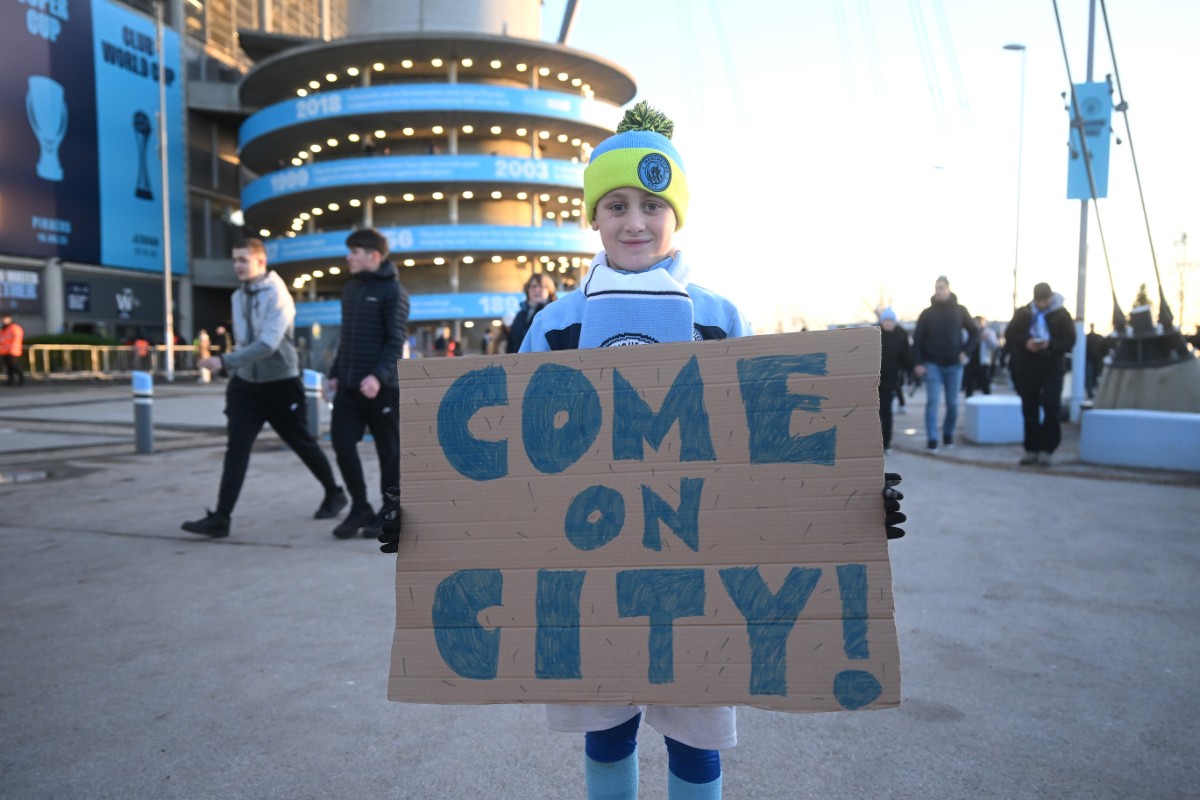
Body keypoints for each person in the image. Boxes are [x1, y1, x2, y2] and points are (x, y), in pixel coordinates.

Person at [449, 101, 903, 800]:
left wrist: (852, 501)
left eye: (653, 205)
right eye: (617, 205)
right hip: (588, 561)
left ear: (678, 217)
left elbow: (769, 442)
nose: (635, 222)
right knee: (606, 723)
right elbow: (513, 450)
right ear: (593, 217)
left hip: (699, 562)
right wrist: (430, 515)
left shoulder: (720, 318)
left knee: (695, 732)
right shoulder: (555, 323)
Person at [182, 239, 347, 538]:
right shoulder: (236, 296)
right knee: (237, 448)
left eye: (244, 259)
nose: (239, 266)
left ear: (261, 262)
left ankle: (335, 492)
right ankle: (221, 517)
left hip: (280, 383)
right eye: (235, 260)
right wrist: (236, 367)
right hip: (245, 385)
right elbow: (246, 342)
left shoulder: (278, 295)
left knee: (301, 442)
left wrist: (225, 361)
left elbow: (268, 344)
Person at [325, 228, 410, 539]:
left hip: (381, 387)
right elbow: (346, 338)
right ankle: (360, 507)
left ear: (373, 256)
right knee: (342, 443)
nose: (348, 257)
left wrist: (378, 375)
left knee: (389, 452)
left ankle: (390, 512)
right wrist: (334, 372)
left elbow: (395, 342)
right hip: (348, 386)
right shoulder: (350, 290)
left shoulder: (394, 292)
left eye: (354, 252)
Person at [1006, 282, 1076, 466]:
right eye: (1039, 301)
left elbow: (1070, 340)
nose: (1042, 305)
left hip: (1052, 366)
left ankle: (1047, 449)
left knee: (1051, 405)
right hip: (1027, 366)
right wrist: (1026, 343)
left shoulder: (1062, 315)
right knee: (1029, 408)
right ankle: (1031, 449)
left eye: (1045, 301)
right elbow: (1010, 334)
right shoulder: (1024, 313)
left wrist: (1051, 344)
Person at [911, 276, 978, 452]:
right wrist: (918, 362)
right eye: (936, 287)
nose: (938, 291)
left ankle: (948, 435)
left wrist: (966, 352)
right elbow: (917, 340)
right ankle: (932, 439)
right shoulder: (927, 314)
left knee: (953, 403)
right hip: (932, 364)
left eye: (941, 287)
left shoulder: (960, 311)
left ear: (948, 288)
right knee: (932, 402)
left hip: (955, 364)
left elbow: (975, 332)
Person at [878, 308, 912, 454]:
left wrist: (914, 367)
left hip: (890, 381)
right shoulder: (876, 336)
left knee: (887, 412)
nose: (888, 323)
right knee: (875, 413)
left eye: (891, 320)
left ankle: (886, 443)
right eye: (886, 320)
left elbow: (906, 358)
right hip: (874, 381)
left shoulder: (900, 337)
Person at [505, 272, 557, 354]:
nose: (536, 290)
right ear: (527, 289)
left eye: (541, 286)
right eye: (533, 286)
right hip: (519, 364)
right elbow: (511, 344)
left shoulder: (554, 313)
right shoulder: (520, 315)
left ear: (549, 290)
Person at [963, 315, 999, 397]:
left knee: (985, 384)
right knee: (969, 385)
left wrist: (988, 338)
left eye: (980, 322)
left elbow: (995, 346)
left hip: (983, 363)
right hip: (970, 362)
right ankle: (969, 401)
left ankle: (988, 401)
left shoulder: (989, 332)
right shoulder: (968, 332)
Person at [0, 314, 25, 386]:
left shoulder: (14, 328)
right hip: (4, 351)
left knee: (15, 366)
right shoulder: (4, 329)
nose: (4, 320)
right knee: (9, 368)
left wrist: (12, 349)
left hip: (13, 351)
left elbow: (16, 339)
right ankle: (10, 381)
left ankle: (21, 379)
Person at [1085, 323, 1105, 398]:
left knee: (1095, 376)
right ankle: (1090, 392)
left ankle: (1094, 392)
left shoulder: (1098, 338)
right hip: (1090, 359)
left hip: (1096, 360)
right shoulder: (1087, 337)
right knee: (1090, 376)